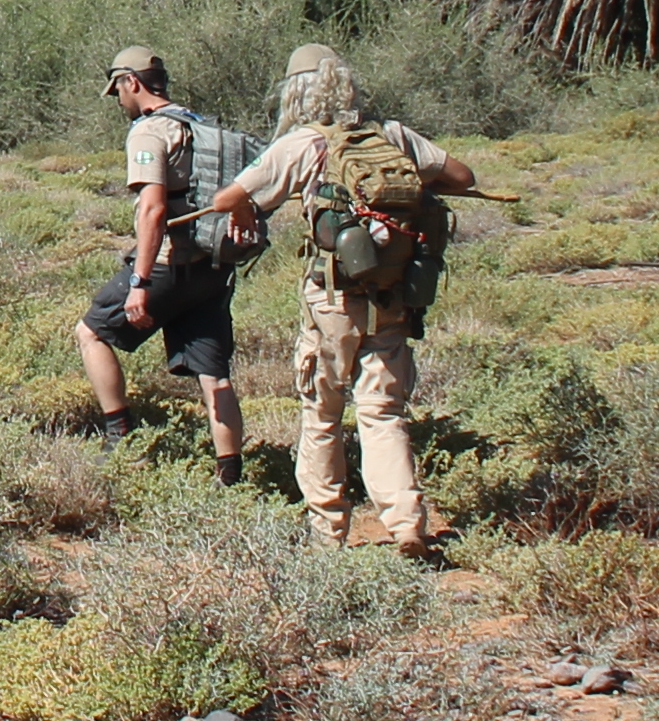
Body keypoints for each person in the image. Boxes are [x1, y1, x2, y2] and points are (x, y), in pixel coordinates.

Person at [206, 41, 480, 557]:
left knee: (323, 415)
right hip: (394, 297)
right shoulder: (392, 134)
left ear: (296, 94)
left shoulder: (303, 143)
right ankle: (406, 526)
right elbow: (462, 177)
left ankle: (328, 535)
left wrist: (247, 212)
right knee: (383, 413)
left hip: (332, 300)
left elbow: (229, 198)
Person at [71, 46, 248, 481]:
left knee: (91, 332)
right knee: (215, 375)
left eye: (117, 90)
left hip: (169, 265)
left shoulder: (148, 133)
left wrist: (139, 281)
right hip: (213, 266)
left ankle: (118, 436)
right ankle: (231, 476)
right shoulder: (198, 124)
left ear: (131, 82)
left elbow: (153, 212)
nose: (117, 100)